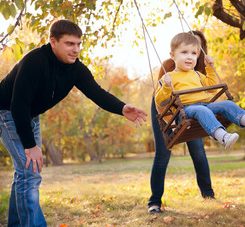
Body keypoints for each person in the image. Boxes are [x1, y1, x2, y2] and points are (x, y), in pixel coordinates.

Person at [0, 19, 147, 226]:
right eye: (69, 44)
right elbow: (18, 106)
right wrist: (30, 146)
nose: (76, 49)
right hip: (7, 113)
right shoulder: (34, 61)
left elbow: (97, 93)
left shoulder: (76, 69)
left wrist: (122, 108)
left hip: (30, 116)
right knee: (30, 171)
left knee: (26, 172)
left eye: (78, 44)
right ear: (53, 42)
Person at [155, 32, 245, 151]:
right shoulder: (169, 77)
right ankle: (223, 137)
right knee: (201, 110)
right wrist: (166, 86)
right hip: (185, 111)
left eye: (193, 53)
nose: (189, 57)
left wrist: (209, 68)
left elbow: (213, 87)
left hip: (206, 105)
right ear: (173, 56)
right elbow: (160, 101)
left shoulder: (197, 75)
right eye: (184, 52)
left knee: (227, 104)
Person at [148, 30, 215, 214]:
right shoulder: (171, 64)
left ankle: (208, 195)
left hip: (190, 109)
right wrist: (173, 123)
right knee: (163, 153)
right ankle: (154, 202)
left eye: (196, 49)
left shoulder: (202, 65)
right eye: (186, 50)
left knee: (198, 151)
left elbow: (208, 92)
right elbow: (161, 96)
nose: (191, 54)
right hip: (164, 108)